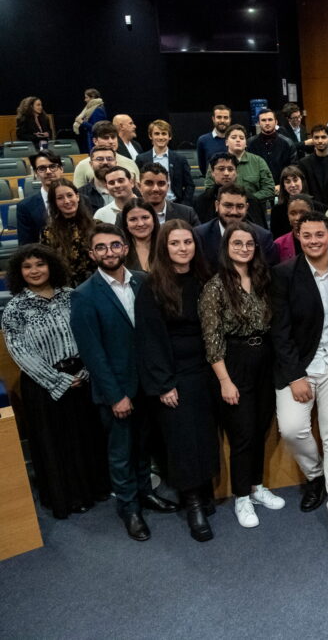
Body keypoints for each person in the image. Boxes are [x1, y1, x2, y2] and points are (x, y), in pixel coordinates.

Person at [71, 223, 177, 542]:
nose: (109, 252)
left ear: (125, 248)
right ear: (92, 254)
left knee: (144, 445)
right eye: (101, 247)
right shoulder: (84, 295)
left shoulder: (143, 282)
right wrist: (116, 395)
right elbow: (93, 353)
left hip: (146, 385)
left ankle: (145, 493)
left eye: (115, 246)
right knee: (121, 453)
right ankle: (129, 508)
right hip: (116, 391)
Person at [271, 211, 328, 549]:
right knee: (292, 429)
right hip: (300, 365)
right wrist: (296, 375)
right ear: (298, 237)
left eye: (319, 235)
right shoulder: (283, 274)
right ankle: (316, 475)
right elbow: (279, 332)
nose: (313, 241)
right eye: (306, 235)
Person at [3, 245, 108, 519]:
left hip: (82, 377)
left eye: (40, 264)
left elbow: (90, 333)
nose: (35, 271)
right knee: (55, 444)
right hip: (44, 385)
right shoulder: (15, 308)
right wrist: (58, 380)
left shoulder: (72, 296)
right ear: (19, 272)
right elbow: (19, 352)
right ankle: (68, 498)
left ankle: (95, 489)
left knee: (86, 437)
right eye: (27, 267)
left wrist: (85, 371)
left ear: (52, 266)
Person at [135, 220, 219, 542]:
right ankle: (193, 502)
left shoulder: (205, 279)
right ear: (164, 247)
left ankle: (205, 490)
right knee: (183, 440)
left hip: (206, 370)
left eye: (188, 242)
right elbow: (149, 340)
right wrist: (163, 383)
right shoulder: (152, 285)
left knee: (205, 434)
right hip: (174, 375)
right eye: (175, 243)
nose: (183, 248)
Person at [200, 222, 285, 529]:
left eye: (249, 244)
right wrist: (224, 380)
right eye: (237, 244)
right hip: (233, 362)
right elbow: (211, 339)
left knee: (261, 425)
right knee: (242, 432)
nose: (244, 249)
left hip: (265, 359)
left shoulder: (262, 279)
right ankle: (241, 497)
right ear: (226, 247)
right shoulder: (215, 287)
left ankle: (256, 486)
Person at [195, 184, 278, 271]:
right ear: (217, 206)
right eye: (228, 206)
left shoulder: (263, 237)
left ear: (247, 207)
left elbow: (268, 275)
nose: (234, 212)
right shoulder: (200, 235)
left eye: (240, 206)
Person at [203, 125, 275, 209]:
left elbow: (269, 189)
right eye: (233, 137)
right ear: (226, 142)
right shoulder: (216, 162)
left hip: (253, 210)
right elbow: (209, 188)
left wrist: (245, 200)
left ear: (246, 143)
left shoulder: (258, 161)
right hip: (224, 211)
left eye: (241, 138)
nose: (238, 140)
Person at [42, 181, 95, 286]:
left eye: (70, 195)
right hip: (64, 288)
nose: (66, 201)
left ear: (78, 197)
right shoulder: (48, 233)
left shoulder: (96, 226)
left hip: (95, 285)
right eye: (60, 198)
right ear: (54, 203)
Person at [195, 153, 268, 228]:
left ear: (236, 172)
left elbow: (260, 231)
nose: (226, 173)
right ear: (212, 173)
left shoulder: (250, 199)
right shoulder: (202, 201)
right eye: (221, 169)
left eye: (230, 169)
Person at [135, 120, 194, 205]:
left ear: (170, 136)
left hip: (175, 204)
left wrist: (184, 204)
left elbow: (189, 185)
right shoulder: (141, 159)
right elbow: (138, 185)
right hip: (149, 205)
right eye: (157, 134)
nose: (160, 137)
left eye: (164, 133)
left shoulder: (180, 159)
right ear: (150, 136)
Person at [72, 122, 140, 189]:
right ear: (95, 141)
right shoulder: (83, 165)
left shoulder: (130, 163)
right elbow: (79, 193)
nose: (111, 141)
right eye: (106, 138)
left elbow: (138, 191)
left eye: (113, 137)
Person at [19, 150, 63, 245]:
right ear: (36, 173)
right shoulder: (25, 207)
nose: (48, 172)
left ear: (61, 169)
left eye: (52, 167)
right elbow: (26, 246)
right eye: (42, 168)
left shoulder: (81, 199)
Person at [298, 124, 328, 208]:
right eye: (316, 137)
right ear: (312, 140)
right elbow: (304, 190)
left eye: (323, 137)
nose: (320, 141)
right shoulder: (303, 163)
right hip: (312, 209)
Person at [248, 108, 297, 185]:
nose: (267, 123)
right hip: (258, 189)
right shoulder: (250, 143)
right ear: (258, 123)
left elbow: (293, 168)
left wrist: (282, 185)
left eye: (270, 120)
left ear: (276, 122)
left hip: (282, 188)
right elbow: (249, 169)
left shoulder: (288, 143)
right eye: (263, 120)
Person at [270, 165, 315, 238]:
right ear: (283, 186)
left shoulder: (317, 206)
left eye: (295, 180)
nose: (293, 185)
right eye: (288, 182)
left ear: (302, 181)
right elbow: (276, 238)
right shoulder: (277, 211)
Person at [119, 198, 159, 271]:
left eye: (145, 217)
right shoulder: (119, 251)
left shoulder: (167, 245)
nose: (140, 224)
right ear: (126, 224)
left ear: (154, 219)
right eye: (133, 219)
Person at [274, 193, 315, 262]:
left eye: (303, 213)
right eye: (293, 213)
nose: (298, 218)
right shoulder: (279, 244)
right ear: (288, 215)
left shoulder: (324, 239)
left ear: (312, 213)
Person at [196, 105, 231, 175]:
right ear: (213, 119)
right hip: (212, 184)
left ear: (230, 119)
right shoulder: (203, 140)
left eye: (226, 117)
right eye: (219, 117)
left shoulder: (236, 140)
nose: (222, 120)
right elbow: (203, 167)